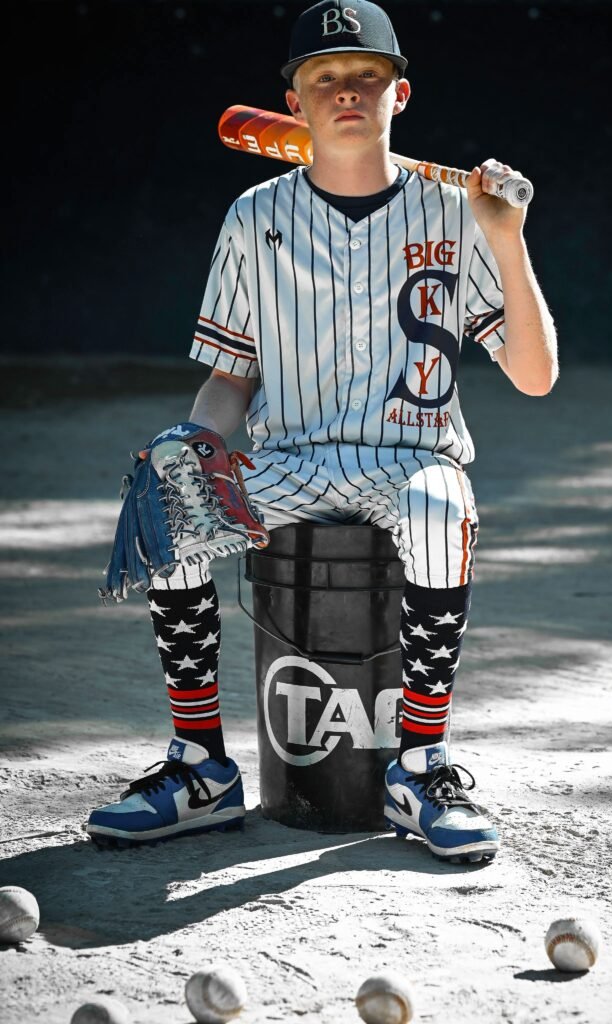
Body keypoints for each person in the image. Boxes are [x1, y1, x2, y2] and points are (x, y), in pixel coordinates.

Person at [87, 0, 558, 862]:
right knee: (169, 490)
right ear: (295, 105)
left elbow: (534, 375)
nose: (347, 91)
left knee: (434, 507)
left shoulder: (458, 216)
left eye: (366, 77)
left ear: (399, 93)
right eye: (325, 78)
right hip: (291, 456)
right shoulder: (252, 216)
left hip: (410, 457)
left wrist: (510, 238)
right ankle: (200, 768)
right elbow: (230, 377)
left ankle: (422, 768)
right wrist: (200, 450)